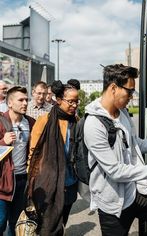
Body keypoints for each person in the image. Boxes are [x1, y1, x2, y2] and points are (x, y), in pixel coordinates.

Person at [84, 64, 147, 236]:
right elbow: (115, 171)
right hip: (112, 203)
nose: (132, 96)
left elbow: (136, 144)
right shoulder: (93, 124)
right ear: (114, 88)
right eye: (129, 91)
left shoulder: (122, 113)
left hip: (135, 191)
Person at [27, 79, 80, 236]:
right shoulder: (45, 120)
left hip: (70, 182)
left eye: (77, 101)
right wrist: (33, 182)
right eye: (70, 101)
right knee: (48, 224)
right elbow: (34, 153)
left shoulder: (75, 121)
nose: (75, 105)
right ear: (59, 99)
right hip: (49, 181)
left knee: (62, 220)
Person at [0, 86, 35, 236]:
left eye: (26, 100)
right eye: (21, 100)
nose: (25, 103)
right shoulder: (1, 122)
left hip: (22, 180)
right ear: (10, 103)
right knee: (0, 222)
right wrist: (2, 141)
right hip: (2, 181)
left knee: (16, 223)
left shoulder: (31, 123)